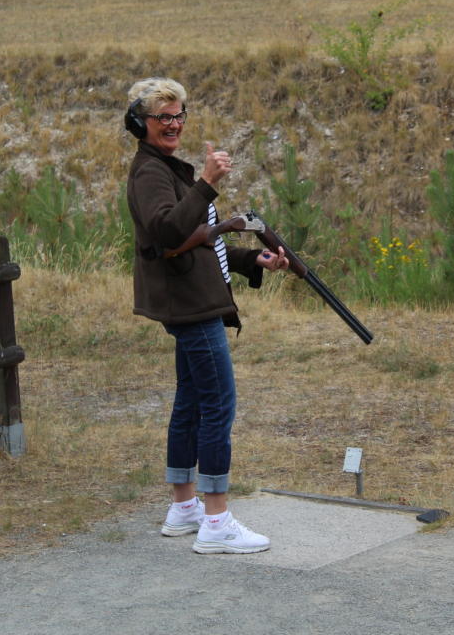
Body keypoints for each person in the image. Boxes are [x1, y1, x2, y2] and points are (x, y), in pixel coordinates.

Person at [124, 77, 289, 555]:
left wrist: (246, 259)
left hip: (194, 300)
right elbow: (169, 232)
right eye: (162, 117)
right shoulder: (150, 173)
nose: (173, 124)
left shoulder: (165, 168)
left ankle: (185, 507)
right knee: (219, 405)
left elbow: (199, 240)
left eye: (178, 115)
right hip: (192, 308)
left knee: (192, 403)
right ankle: (216, 520)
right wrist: (209, 183)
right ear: (141, 123)